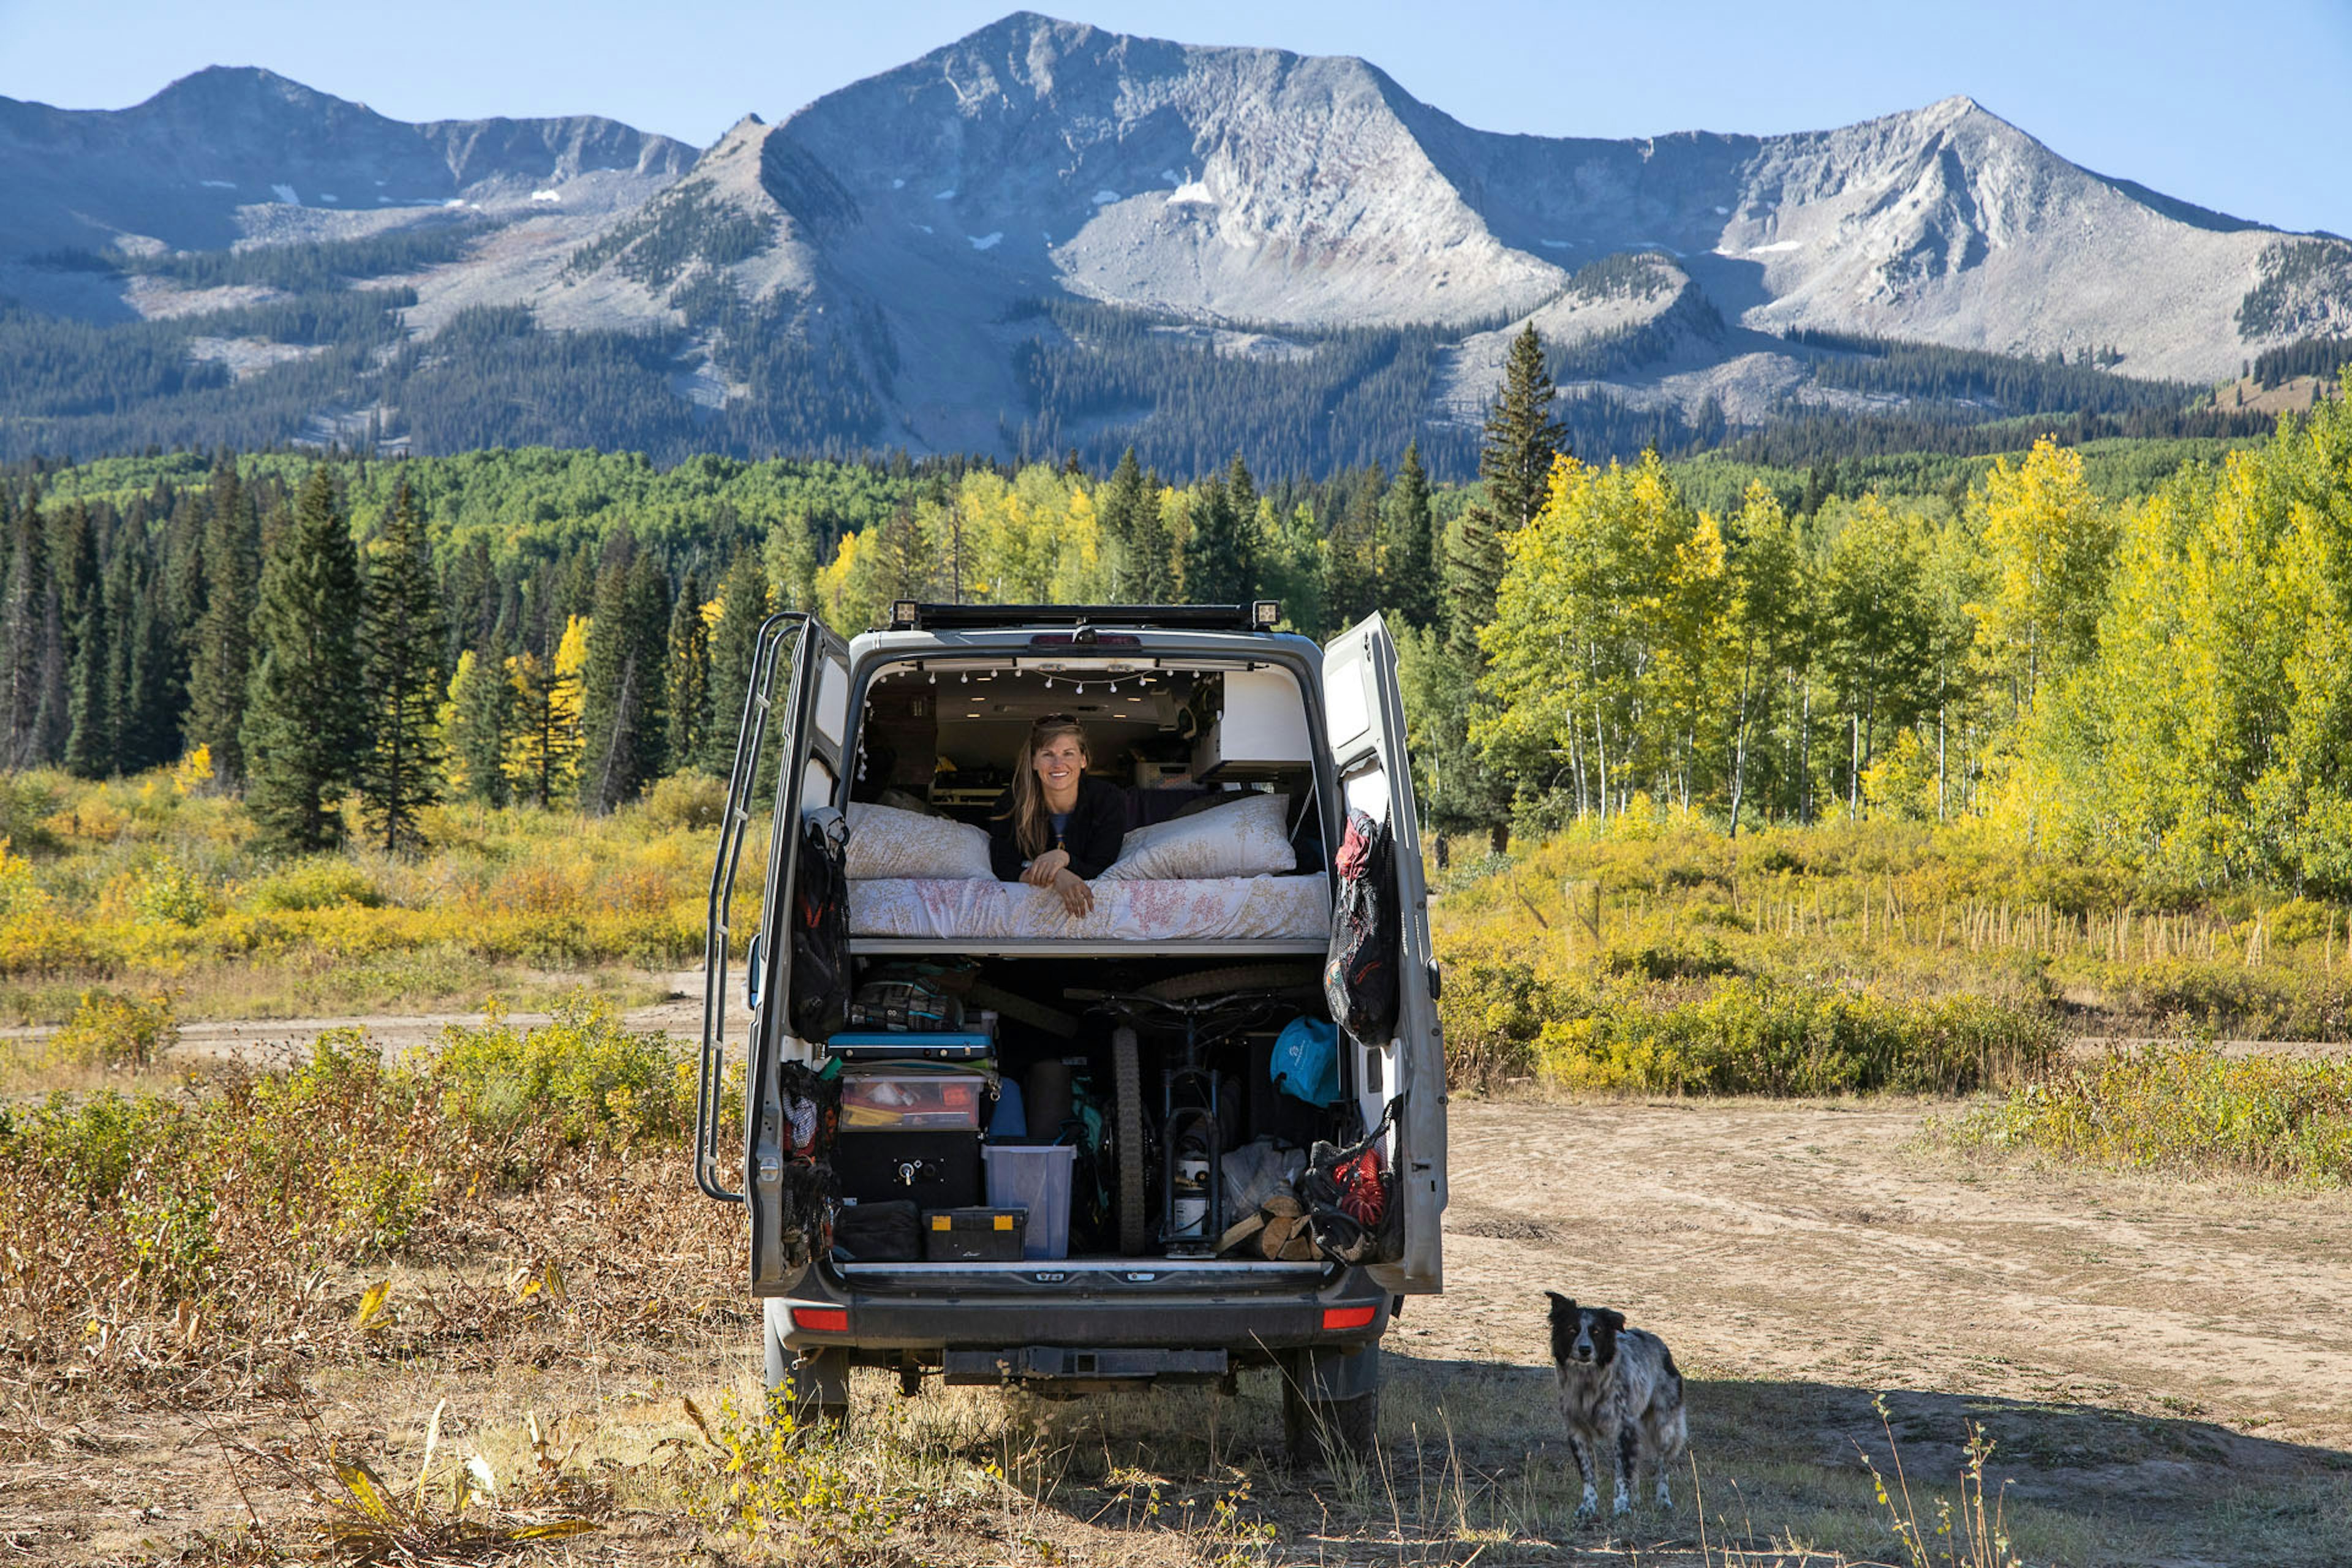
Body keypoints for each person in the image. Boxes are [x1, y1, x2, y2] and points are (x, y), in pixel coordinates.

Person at [989, 714, 1125, 916]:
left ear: (1083, 760)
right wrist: (1056, 875)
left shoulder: (1107, 799)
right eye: (1048, 754)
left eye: (1068, 754)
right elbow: (1003, 867)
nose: (1058, 764)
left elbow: (1104, 866)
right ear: (1034, 761)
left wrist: (1064, 858)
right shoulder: (1012, 802)